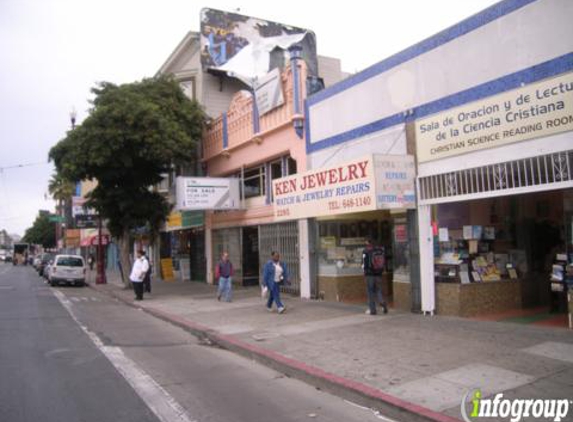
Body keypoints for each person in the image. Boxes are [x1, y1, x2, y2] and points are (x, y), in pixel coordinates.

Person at [362, 239, 388, 315]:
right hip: (378, 274)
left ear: (368, 242)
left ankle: (372, 310)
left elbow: (363, 263)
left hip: (369, 275)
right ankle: (382, 303)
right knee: (378, 290)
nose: (365, 243)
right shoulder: (380, 250)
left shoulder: (366, 251)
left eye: (366, 242)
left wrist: (364, 271)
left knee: (370, 292)